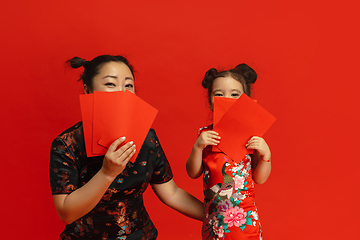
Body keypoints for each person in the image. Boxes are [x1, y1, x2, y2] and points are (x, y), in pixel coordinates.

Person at [49, 55, 203, 240]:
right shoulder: (67, 143)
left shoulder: (147, 138)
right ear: (87, 90)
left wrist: (217, 217)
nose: (122, 92)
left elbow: (172, 193)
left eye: (128, 85)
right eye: (110, 84)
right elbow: (66, 213)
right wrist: (107, 173)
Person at [186, 64, 271, 240]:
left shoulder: (251, 135)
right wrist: (197, 147)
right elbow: (193, 172)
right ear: (210, 101)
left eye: (235, 95)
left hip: (245, 221)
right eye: (219, 94)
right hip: (214, 220)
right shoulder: (206, 135)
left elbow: (260, 178)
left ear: (246, 101)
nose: (227, 99)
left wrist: (265, 156)